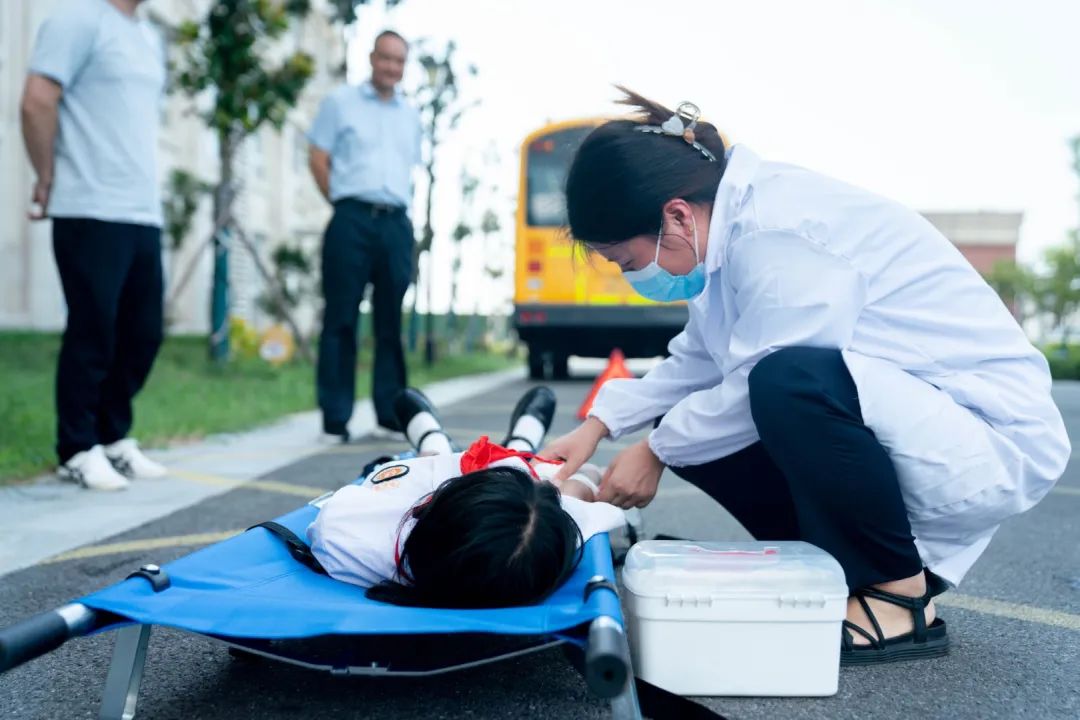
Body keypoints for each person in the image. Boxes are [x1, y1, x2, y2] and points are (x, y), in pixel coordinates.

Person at [542, 89, 1071, 664]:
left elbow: (764, 376)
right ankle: (834, 564)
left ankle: (897, 597)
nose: (632, 277)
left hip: (986, 434)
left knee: (784, 382)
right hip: (916, 415)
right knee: (710, 411)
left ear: (674, 216)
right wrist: (598, 424)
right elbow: (698, 358)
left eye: (627, 261)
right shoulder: (726, 237)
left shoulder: (777, 230)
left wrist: (656, 449)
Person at [21, 0, 168, 491]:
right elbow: (37, 99)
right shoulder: (77, 18)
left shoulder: (146, 35)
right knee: (94, 331)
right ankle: (76, 448)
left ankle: (111, 437)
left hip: (141, 209)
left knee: (143, 332)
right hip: (88, 203)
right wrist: (46, 178)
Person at [307, 386, 624, 608]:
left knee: (432, 455)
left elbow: (361, 495)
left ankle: (431, 434)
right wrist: (586, 476)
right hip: (499, 504)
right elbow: (582, 490)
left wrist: (438, 472)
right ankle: (523, 441)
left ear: (426, 507)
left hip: (424, 490)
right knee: (559, 479)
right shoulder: (546, 538)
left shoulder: (347, 534)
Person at [307, 30, 422, 442]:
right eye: (385, 58)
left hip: (395, 222)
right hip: (351, 217)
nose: (391, 67)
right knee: (341, 317)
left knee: (390, 322)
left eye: (399, 61)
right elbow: (318, 156)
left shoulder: (411, 116)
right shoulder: (341, 103)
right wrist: (338, 201)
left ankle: (390, 416)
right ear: (372, 58)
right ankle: (334, 420)